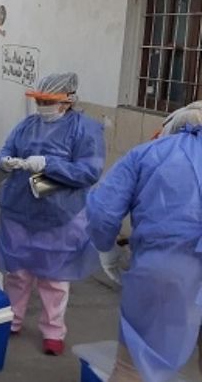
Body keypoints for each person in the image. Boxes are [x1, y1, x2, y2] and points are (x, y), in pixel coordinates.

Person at [86, 102, 202, 382]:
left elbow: (102, 213)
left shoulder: (148, 154)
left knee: (132, 369)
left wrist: (108, 252)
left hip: (164, 271)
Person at [0, 72, 105, 356]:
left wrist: (49, 164)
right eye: (40, 100)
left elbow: (89, 171)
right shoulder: (27, 125)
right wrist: (5, 160)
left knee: (54, 277)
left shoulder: (84, 129)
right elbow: (6, 148)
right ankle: (12, 319)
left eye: (48, 101)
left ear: (67, 101)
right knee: (17, 272)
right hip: (19, 209)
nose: (42, 106)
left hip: (60, 213)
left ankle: (53, 331)